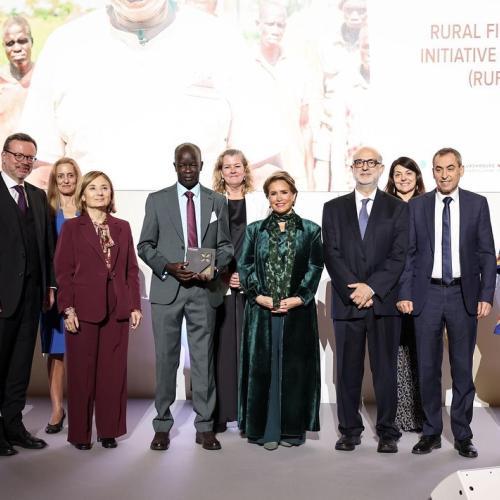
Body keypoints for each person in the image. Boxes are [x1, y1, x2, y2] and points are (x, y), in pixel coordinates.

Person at [20, 0, 280, 190]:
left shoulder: (220, 40)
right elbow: (38, 173)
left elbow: (261, 167)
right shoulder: (65, 46)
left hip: (203, 243)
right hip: (93, 243)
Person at [397, 147, 496, 458]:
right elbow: (408, 254)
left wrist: (485, 295)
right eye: (438, 169)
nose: (444, 174)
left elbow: (486, 253)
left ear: (461, 170)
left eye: (450, 168)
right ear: (433, 172)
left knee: (462, 369)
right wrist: (404, 293)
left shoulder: (477, 204)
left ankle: (463, 435)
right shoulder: (418, 206)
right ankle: (431, 433)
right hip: (426, 294)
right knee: (427, 368)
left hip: (462, 294)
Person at [138, 142, 233, 452]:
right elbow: (145, 245)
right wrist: (168, 267)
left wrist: (212, 267)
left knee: (203, 360)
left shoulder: (217, 201)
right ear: (175, 166)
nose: (188, 169)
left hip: (203, 292)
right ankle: (162, 426)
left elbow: (226, 246)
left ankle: (205, 427)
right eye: (183, 164)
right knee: (166, 360)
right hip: (167, 290)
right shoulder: (157, 200)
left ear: (202, 165)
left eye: (193, 164)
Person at [322, 146, 409, 454]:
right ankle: (349, 431)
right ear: (352, 168)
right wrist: (355, 291)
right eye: (359, 162)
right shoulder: (333, 208)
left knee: (385, 372)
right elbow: (331, 253)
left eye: (371, 162)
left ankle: (388, 432)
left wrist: (371, 288)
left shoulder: (397, 208)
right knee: (347, 372)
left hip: (383, 303)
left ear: (381, 168)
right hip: (347, 304)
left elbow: (399, 255)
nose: (365, 166)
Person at [54, 171, 142, 450]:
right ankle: (80, 434)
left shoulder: (122, 227)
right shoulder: (72, 228)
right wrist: (68, 309)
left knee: (112, 374)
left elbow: (130, 270)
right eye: (93, 188)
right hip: (82, 309)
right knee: (81, 375)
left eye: (105, 188)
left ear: (111, 194)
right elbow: (63, 272)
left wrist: (134, 305)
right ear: (83, 195)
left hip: (117, 309)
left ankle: (109, 431)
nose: (100, 192)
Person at [238, 171, 323, 450]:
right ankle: (266, 431)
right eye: (273, 193)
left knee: (294, 370)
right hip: (262, 313)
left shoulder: (310, 230)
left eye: (284, 192)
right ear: (267, 198)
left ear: (294, 195)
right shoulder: (255, 230)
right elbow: (245, 266)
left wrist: (300, 298)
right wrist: (257, 296)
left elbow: (315, 267)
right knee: (264, 370)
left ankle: (291, 431)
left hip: (297, 314)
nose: (279, 198)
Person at [0, 132, 54, 457]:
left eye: (29, 157)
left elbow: (46, 247)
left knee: (20, 367)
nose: (24, 162)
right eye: (18, 155)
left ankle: (13, 426)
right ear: (4, 156)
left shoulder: (36, 196)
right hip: (2, 298)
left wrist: (49, 286)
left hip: (32, 297)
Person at [211, 148, 268, 433]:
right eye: (227, 166)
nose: (233, 170)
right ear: (220, 172)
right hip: (219, 285)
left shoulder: (260, 202)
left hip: (250, 287)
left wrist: (245, 276)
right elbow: (203, 244)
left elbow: (266, 245)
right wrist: (224, 274)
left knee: (249, 349)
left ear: (245, 169)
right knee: (221, 349)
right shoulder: (211, 202)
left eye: (237, 166)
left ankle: (248, 415)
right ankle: (221, 413)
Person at [253, 1, 315, 190]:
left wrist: (310, 177)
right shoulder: (244, 66)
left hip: (294, 172)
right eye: (270, 24)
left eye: (280, 25)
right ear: (258, 24)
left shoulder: (298, 69)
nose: (275, 30)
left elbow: (305, 126)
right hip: (256, 173)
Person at [40, 158, 81, 434]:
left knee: (81, 351)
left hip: (83, 289)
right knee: (56, 352)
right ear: (55, 180)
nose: (66, 180)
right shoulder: (46, 210)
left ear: (77, 178)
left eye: (70, 175)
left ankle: (80, 408)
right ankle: (57, 409)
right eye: (61, 176)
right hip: (54, 290)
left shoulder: (87, 209)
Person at [385, 156, 425, 432]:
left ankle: (421, 415)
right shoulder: (384, 206)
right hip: (391, 288)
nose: (403, 178)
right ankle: (400, 416)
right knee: (397, 352)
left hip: (422, 288)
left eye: (408, 173)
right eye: (398, 174)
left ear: (417, 176)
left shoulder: (427, 205)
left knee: (421, 352)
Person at [0, 16, 34, 148]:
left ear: (31, 42)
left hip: (36, 156)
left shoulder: (43, 76)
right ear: (4, 47)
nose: (17, 48)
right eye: (10, 43)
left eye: (22, 41)